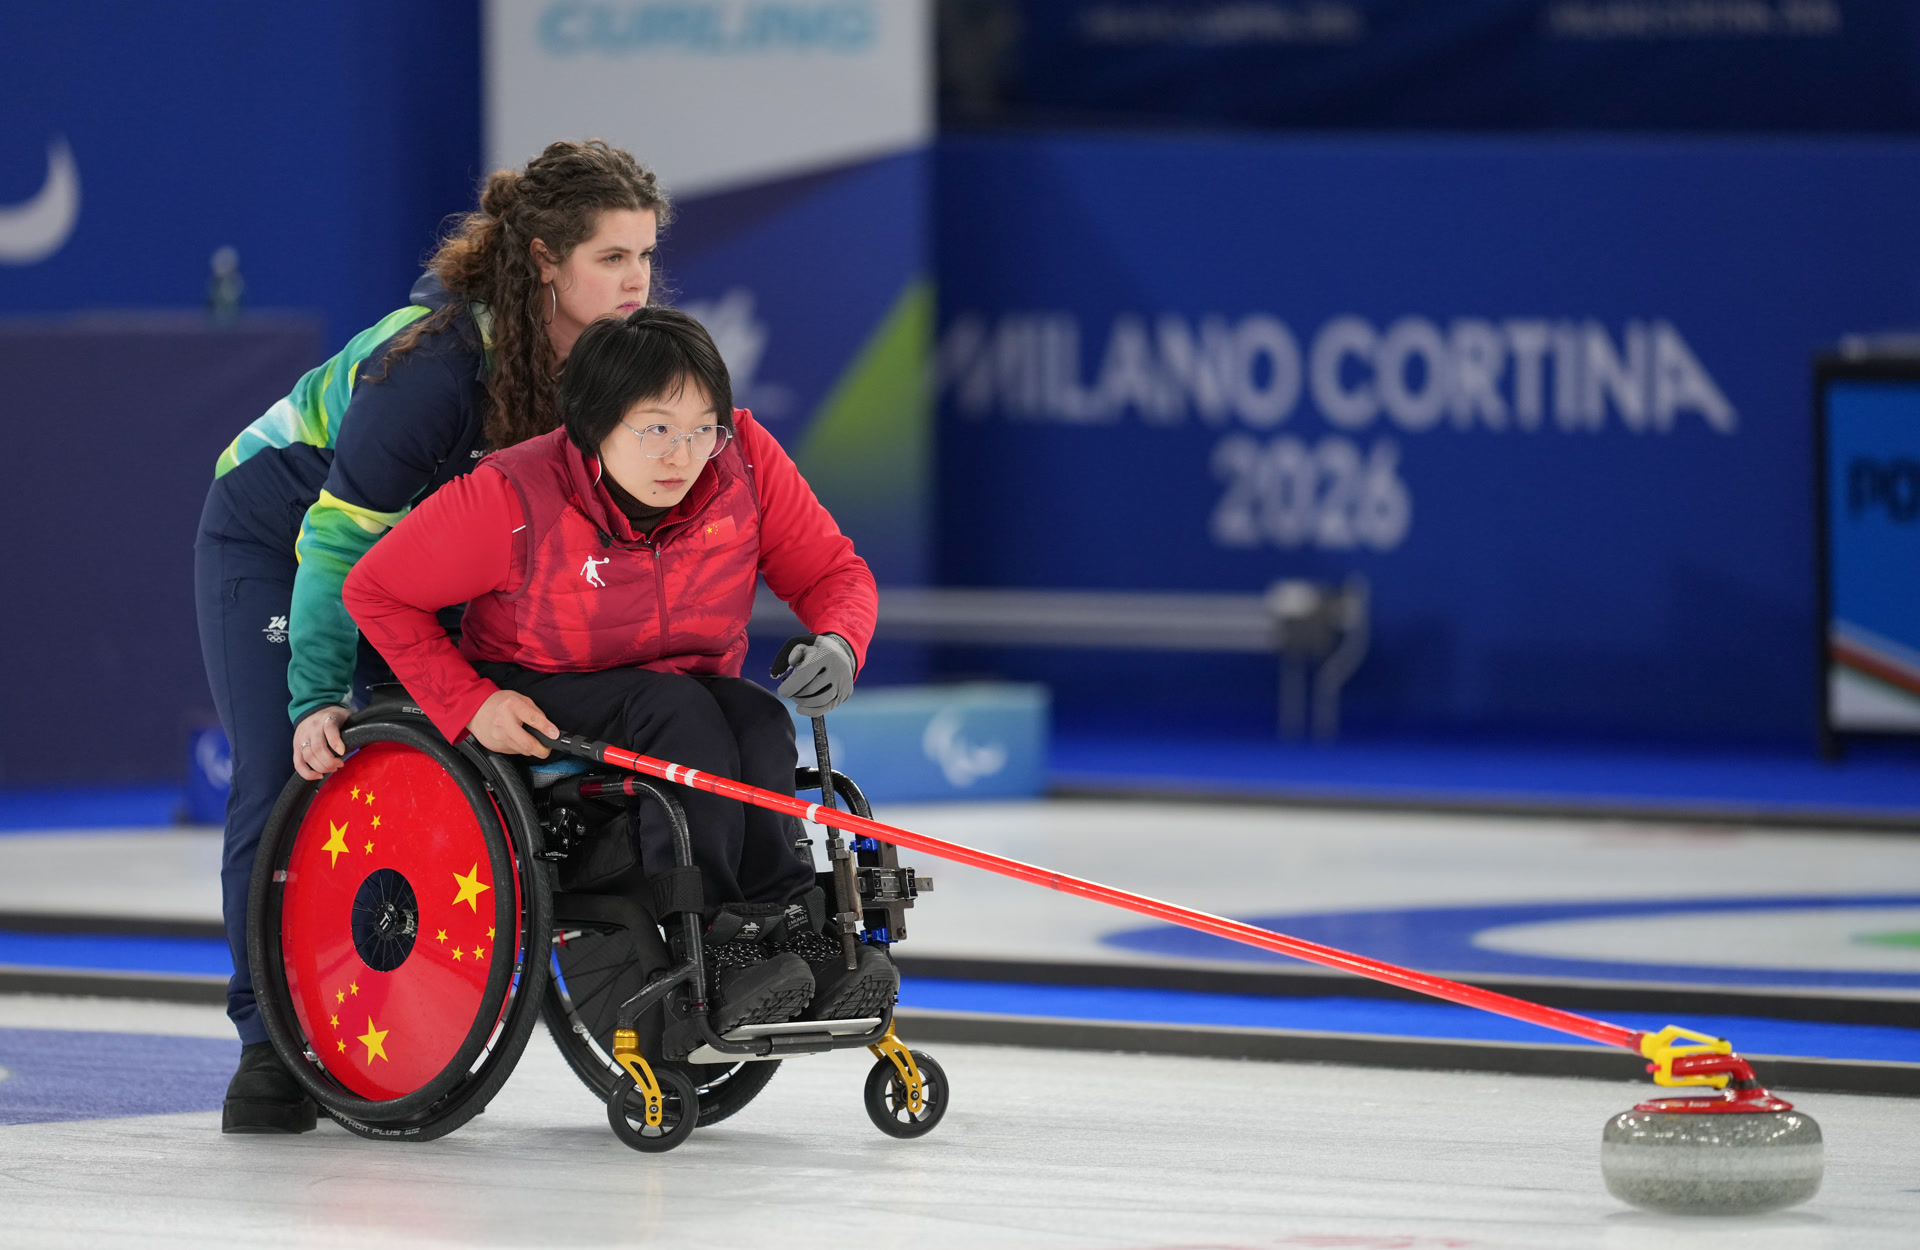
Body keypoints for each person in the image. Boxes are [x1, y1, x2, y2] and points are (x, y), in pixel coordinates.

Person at [195, 139, 668, 1133]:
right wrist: (317, 697)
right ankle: (268, 1044)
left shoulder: (610, 369)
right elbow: (336, 543)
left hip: (420, 566)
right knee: (288, 770)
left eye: (646, 256)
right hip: (281, 539)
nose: (638, 282)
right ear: (545, 261)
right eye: (613, 258)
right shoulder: (435, 367)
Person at [343, 307, 895, 1040]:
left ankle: (792, 926)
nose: (682, 455)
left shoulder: (745, 462)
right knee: (679, 714)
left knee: (760, 718)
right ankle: (718, 943)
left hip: (677, 687)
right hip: (542, 682)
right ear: (595, 422)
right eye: (656, 428)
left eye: (702, 429)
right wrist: (471, 703)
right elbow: (375, 590)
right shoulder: (512, 495)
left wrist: (840, 642)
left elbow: (832, 571)